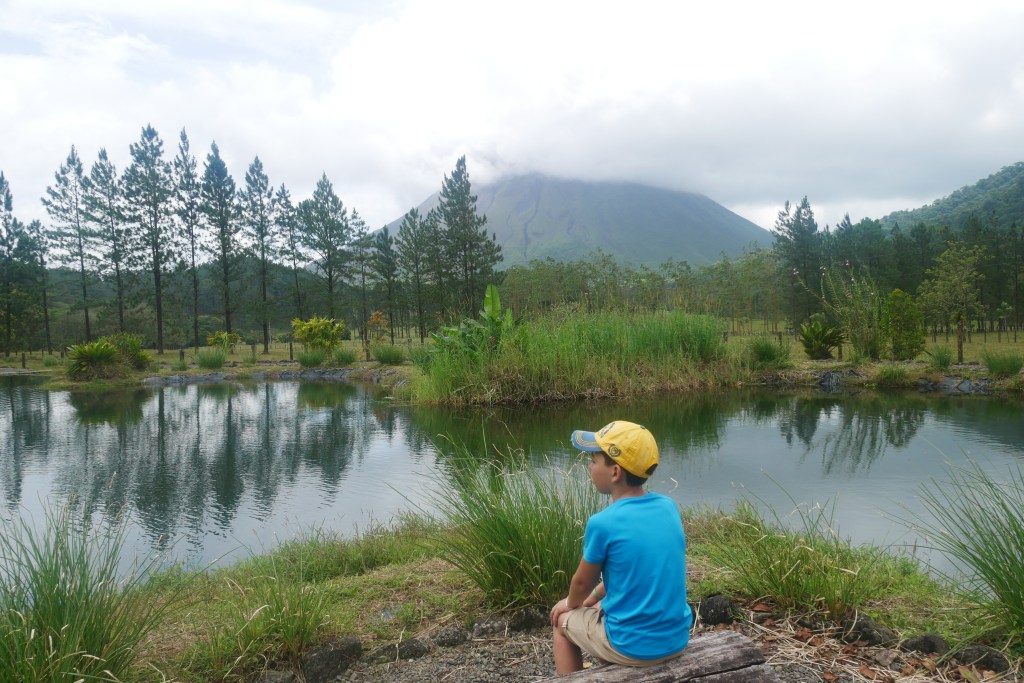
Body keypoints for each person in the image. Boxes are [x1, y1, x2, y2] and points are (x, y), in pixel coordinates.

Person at [549, 420, 692, 675]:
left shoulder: (603, 523)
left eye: (594, 461)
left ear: (614, 472)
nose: (590, 468)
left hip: (632, 647)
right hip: (677, 639)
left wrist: (570, 604)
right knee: (599, 610)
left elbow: (581, 583)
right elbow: (636, 571)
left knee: (561, 625)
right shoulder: (668, 508)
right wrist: (593, 600)